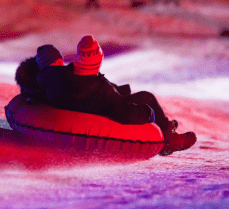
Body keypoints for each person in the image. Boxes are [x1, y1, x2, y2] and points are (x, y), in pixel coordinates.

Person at [15, 36, 196, 155]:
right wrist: (149, 113)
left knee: (134, 95)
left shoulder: (47, 82)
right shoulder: (94, 88)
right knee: (147, 98)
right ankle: (168, 138)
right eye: (58, 60)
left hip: (92, 101)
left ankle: (167, 127)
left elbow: (70, 86)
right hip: (100, 108)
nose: (62, 63)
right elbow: (122, 110)